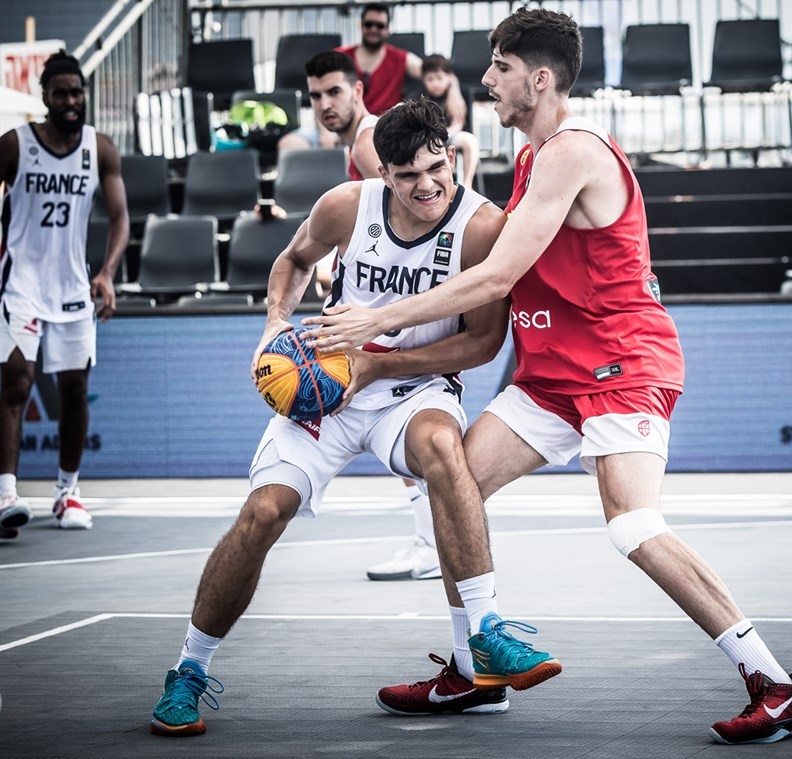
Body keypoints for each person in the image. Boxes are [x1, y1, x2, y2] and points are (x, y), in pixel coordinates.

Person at [305, 8, 792, 745]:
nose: (486, 81)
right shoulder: (529, 158)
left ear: (538, 77)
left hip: (619, 365)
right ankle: (474, 672)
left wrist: (375, 320)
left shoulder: (572, 153)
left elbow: (497, 277)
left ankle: (774, 682)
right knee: (448, 485)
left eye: (500, 68)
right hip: (551, 375)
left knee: (633, 525)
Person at [148, 99, 560, 737]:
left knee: (446, 455)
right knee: (261, 513)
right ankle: (189, 671)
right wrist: (275, 327)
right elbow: (292, 261)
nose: (425, 184)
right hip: (327, 381)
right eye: (406, 174)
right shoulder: (347, 204)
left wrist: (379, 367)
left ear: (451, 154)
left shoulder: (483, 227)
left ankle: (486, 633)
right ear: (383, 174)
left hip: (412, 383)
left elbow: (482, 344)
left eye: (435, 166)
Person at [274, 49, 442, 581]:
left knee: (411, 434)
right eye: (316, 96)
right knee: (408, 446)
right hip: (377, 312)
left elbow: (411, 218)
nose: (325, 104)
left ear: (359, 92)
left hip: (394, 320)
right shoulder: (356, 146)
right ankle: (427, 542)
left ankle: (429, 545)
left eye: (335, 93)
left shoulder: (372, 144)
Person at [0, 51, 128, 537]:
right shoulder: (15, 145)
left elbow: (120, 218)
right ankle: (7, 494)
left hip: (73, 285)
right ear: (45, 97)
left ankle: (67, 490)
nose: (71, 101)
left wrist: (108, 272)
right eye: (61, 93)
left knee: (74, 391)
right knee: (16, 382)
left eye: (77, 92)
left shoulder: (101, 149)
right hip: (21, 283)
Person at [336, 3, 465, 119]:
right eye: (369, 24)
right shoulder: (340, 56)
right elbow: (319, 89)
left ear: (388, 30)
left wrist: (454, 91)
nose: (373, 29)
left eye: (380, 26)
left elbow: (435, 71)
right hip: (347, 126)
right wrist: (325, 131)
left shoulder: (401, 58)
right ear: (361, 26)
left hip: (386, 129)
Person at [421, 54, 480, 188]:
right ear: (423, 79)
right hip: (428, 138)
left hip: (451, 135)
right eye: (430, 79)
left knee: (469, 141)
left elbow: (460, 125)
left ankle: (467, 186)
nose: (435, 83)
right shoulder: (421, 97)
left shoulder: (461, 94)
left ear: (449, 77)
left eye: (439, 78)